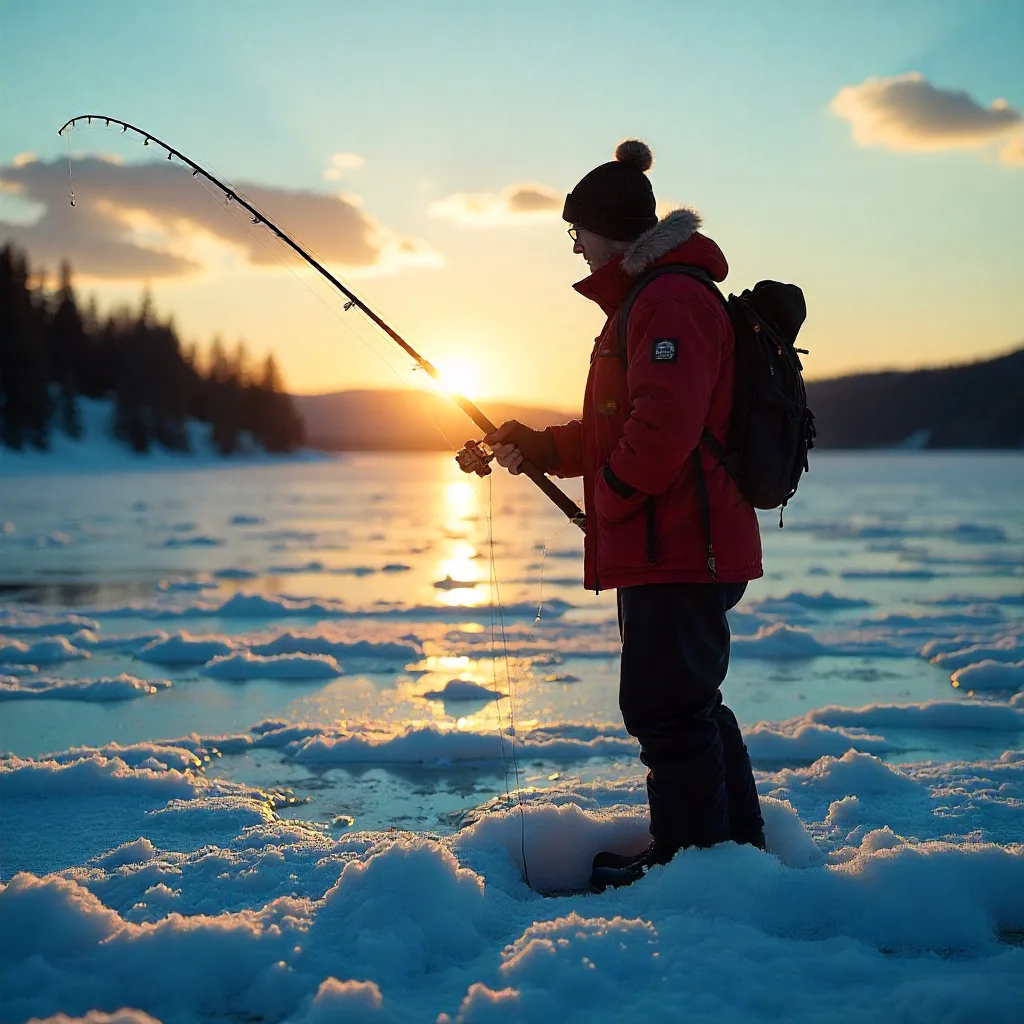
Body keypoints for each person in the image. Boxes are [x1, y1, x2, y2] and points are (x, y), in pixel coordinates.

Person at [485, 139, 766, 890]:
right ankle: (735, 856)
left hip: (679, 542)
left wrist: (603, 502)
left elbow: (661, 433)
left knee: (667, 709)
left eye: (577, 229)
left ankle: (692, 869)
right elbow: (621, 427)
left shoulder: (669, 298)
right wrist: (542, 446)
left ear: (612, 228)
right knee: (689, 704)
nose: (573, 244)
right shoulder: (645, 299)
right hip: (672, 539)